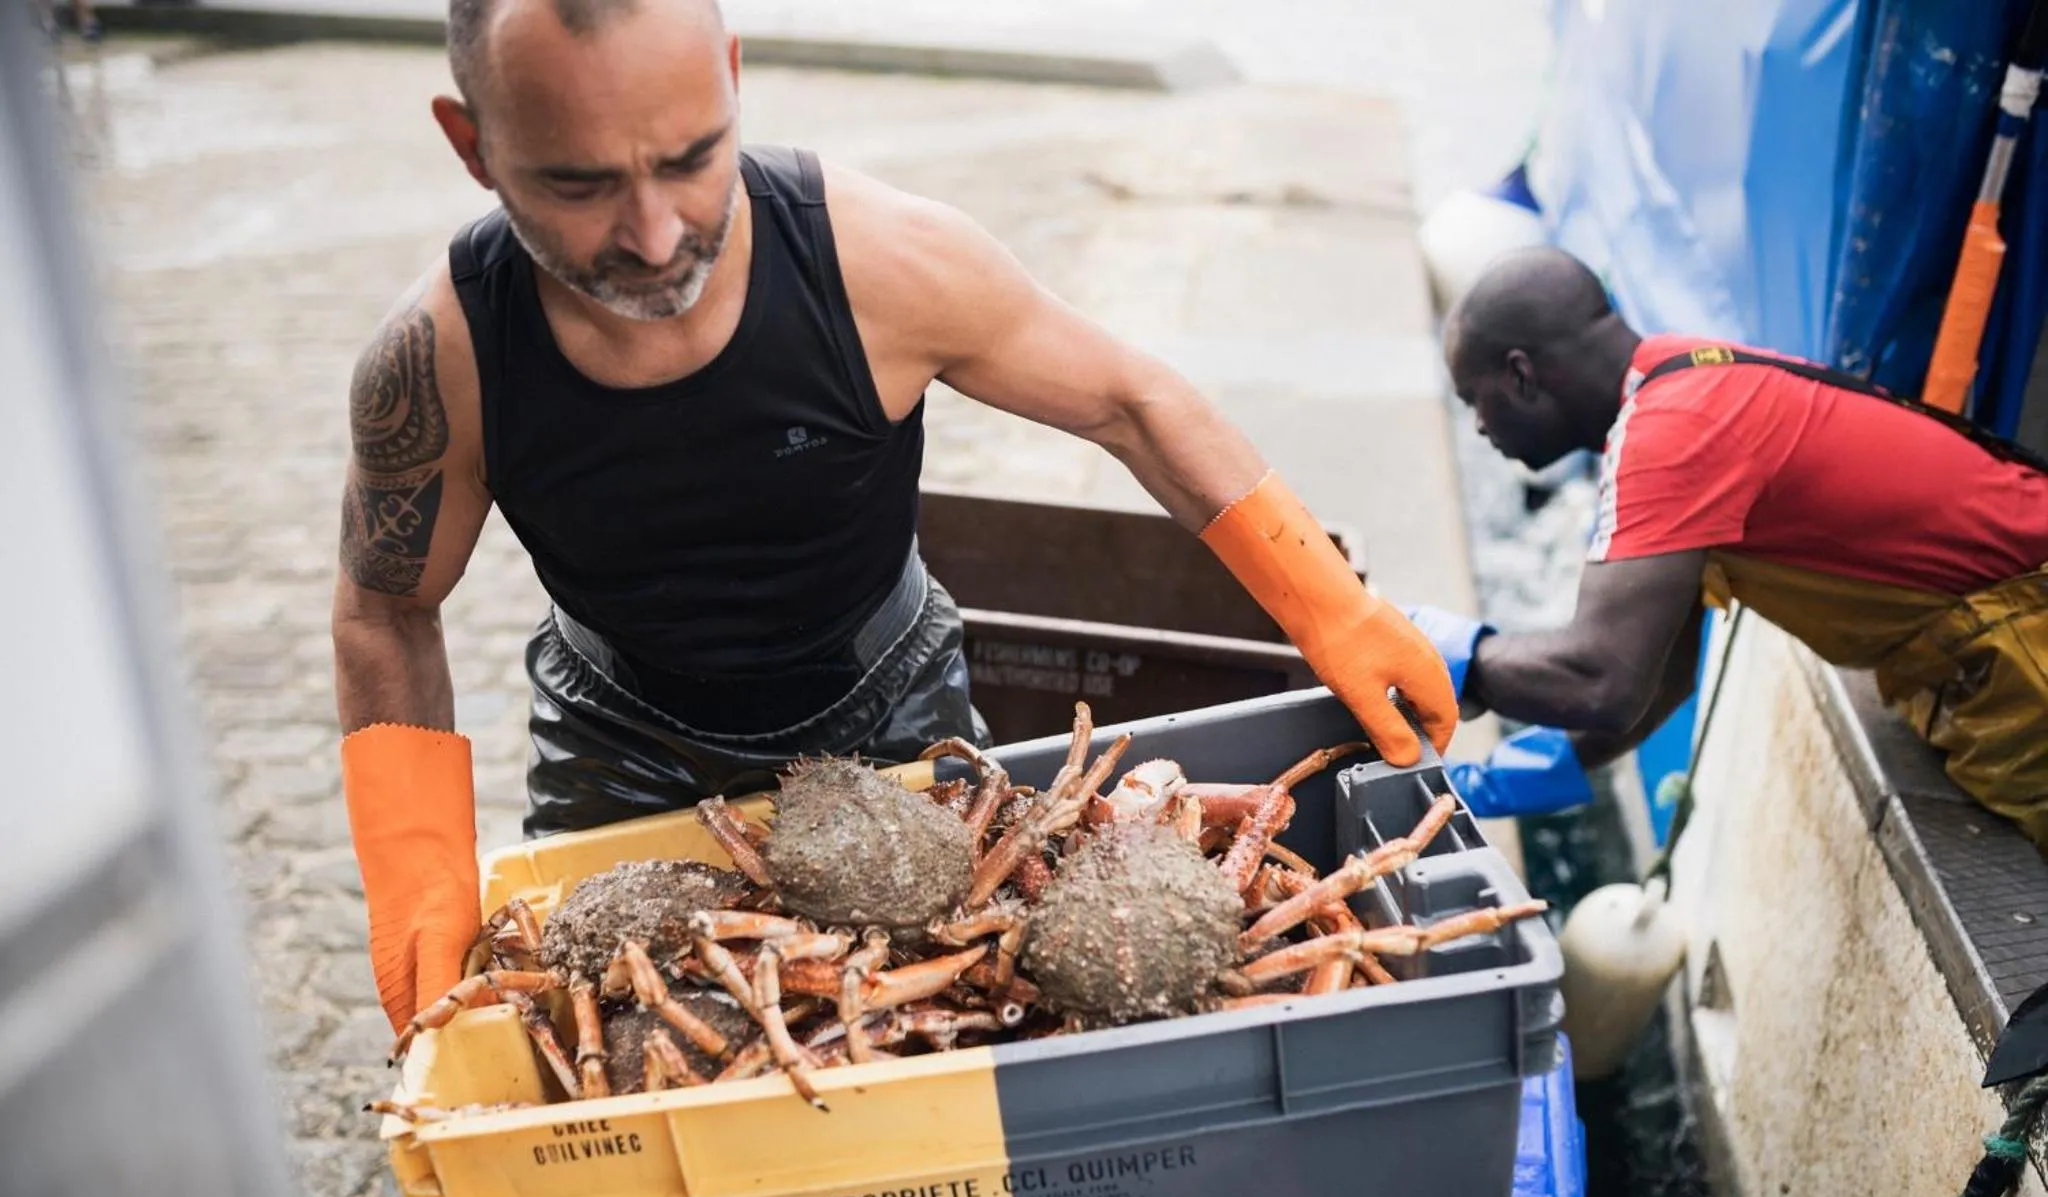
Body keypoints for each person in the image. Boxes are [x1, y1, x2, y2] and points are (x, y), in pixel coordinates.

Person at [334, 0, 1458, 1037]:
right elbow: (387, 612)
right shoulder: (444, 360)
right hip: (616, 729)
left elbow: (1130, 401)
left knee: (924, 1022)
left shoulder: (878, 263)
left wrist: (1329, 605)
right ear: (472, 145)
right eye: (579, 186)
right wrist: (418, 874)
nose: (653, 232)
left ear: (730, 79)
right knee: (594, 1025)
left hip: (883, 689)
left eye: (689, 161)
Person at [1410, 246, 2048, 851]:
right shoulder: (1676, 378)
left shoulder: (1671, 433)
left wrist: (1441, 655)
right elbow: (1656, 680)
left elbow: (1603, 681)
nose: (1481, 427)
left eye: (1475, 401)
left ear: (1520, 375)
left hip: (2027, 627)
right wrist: (1485, 787)